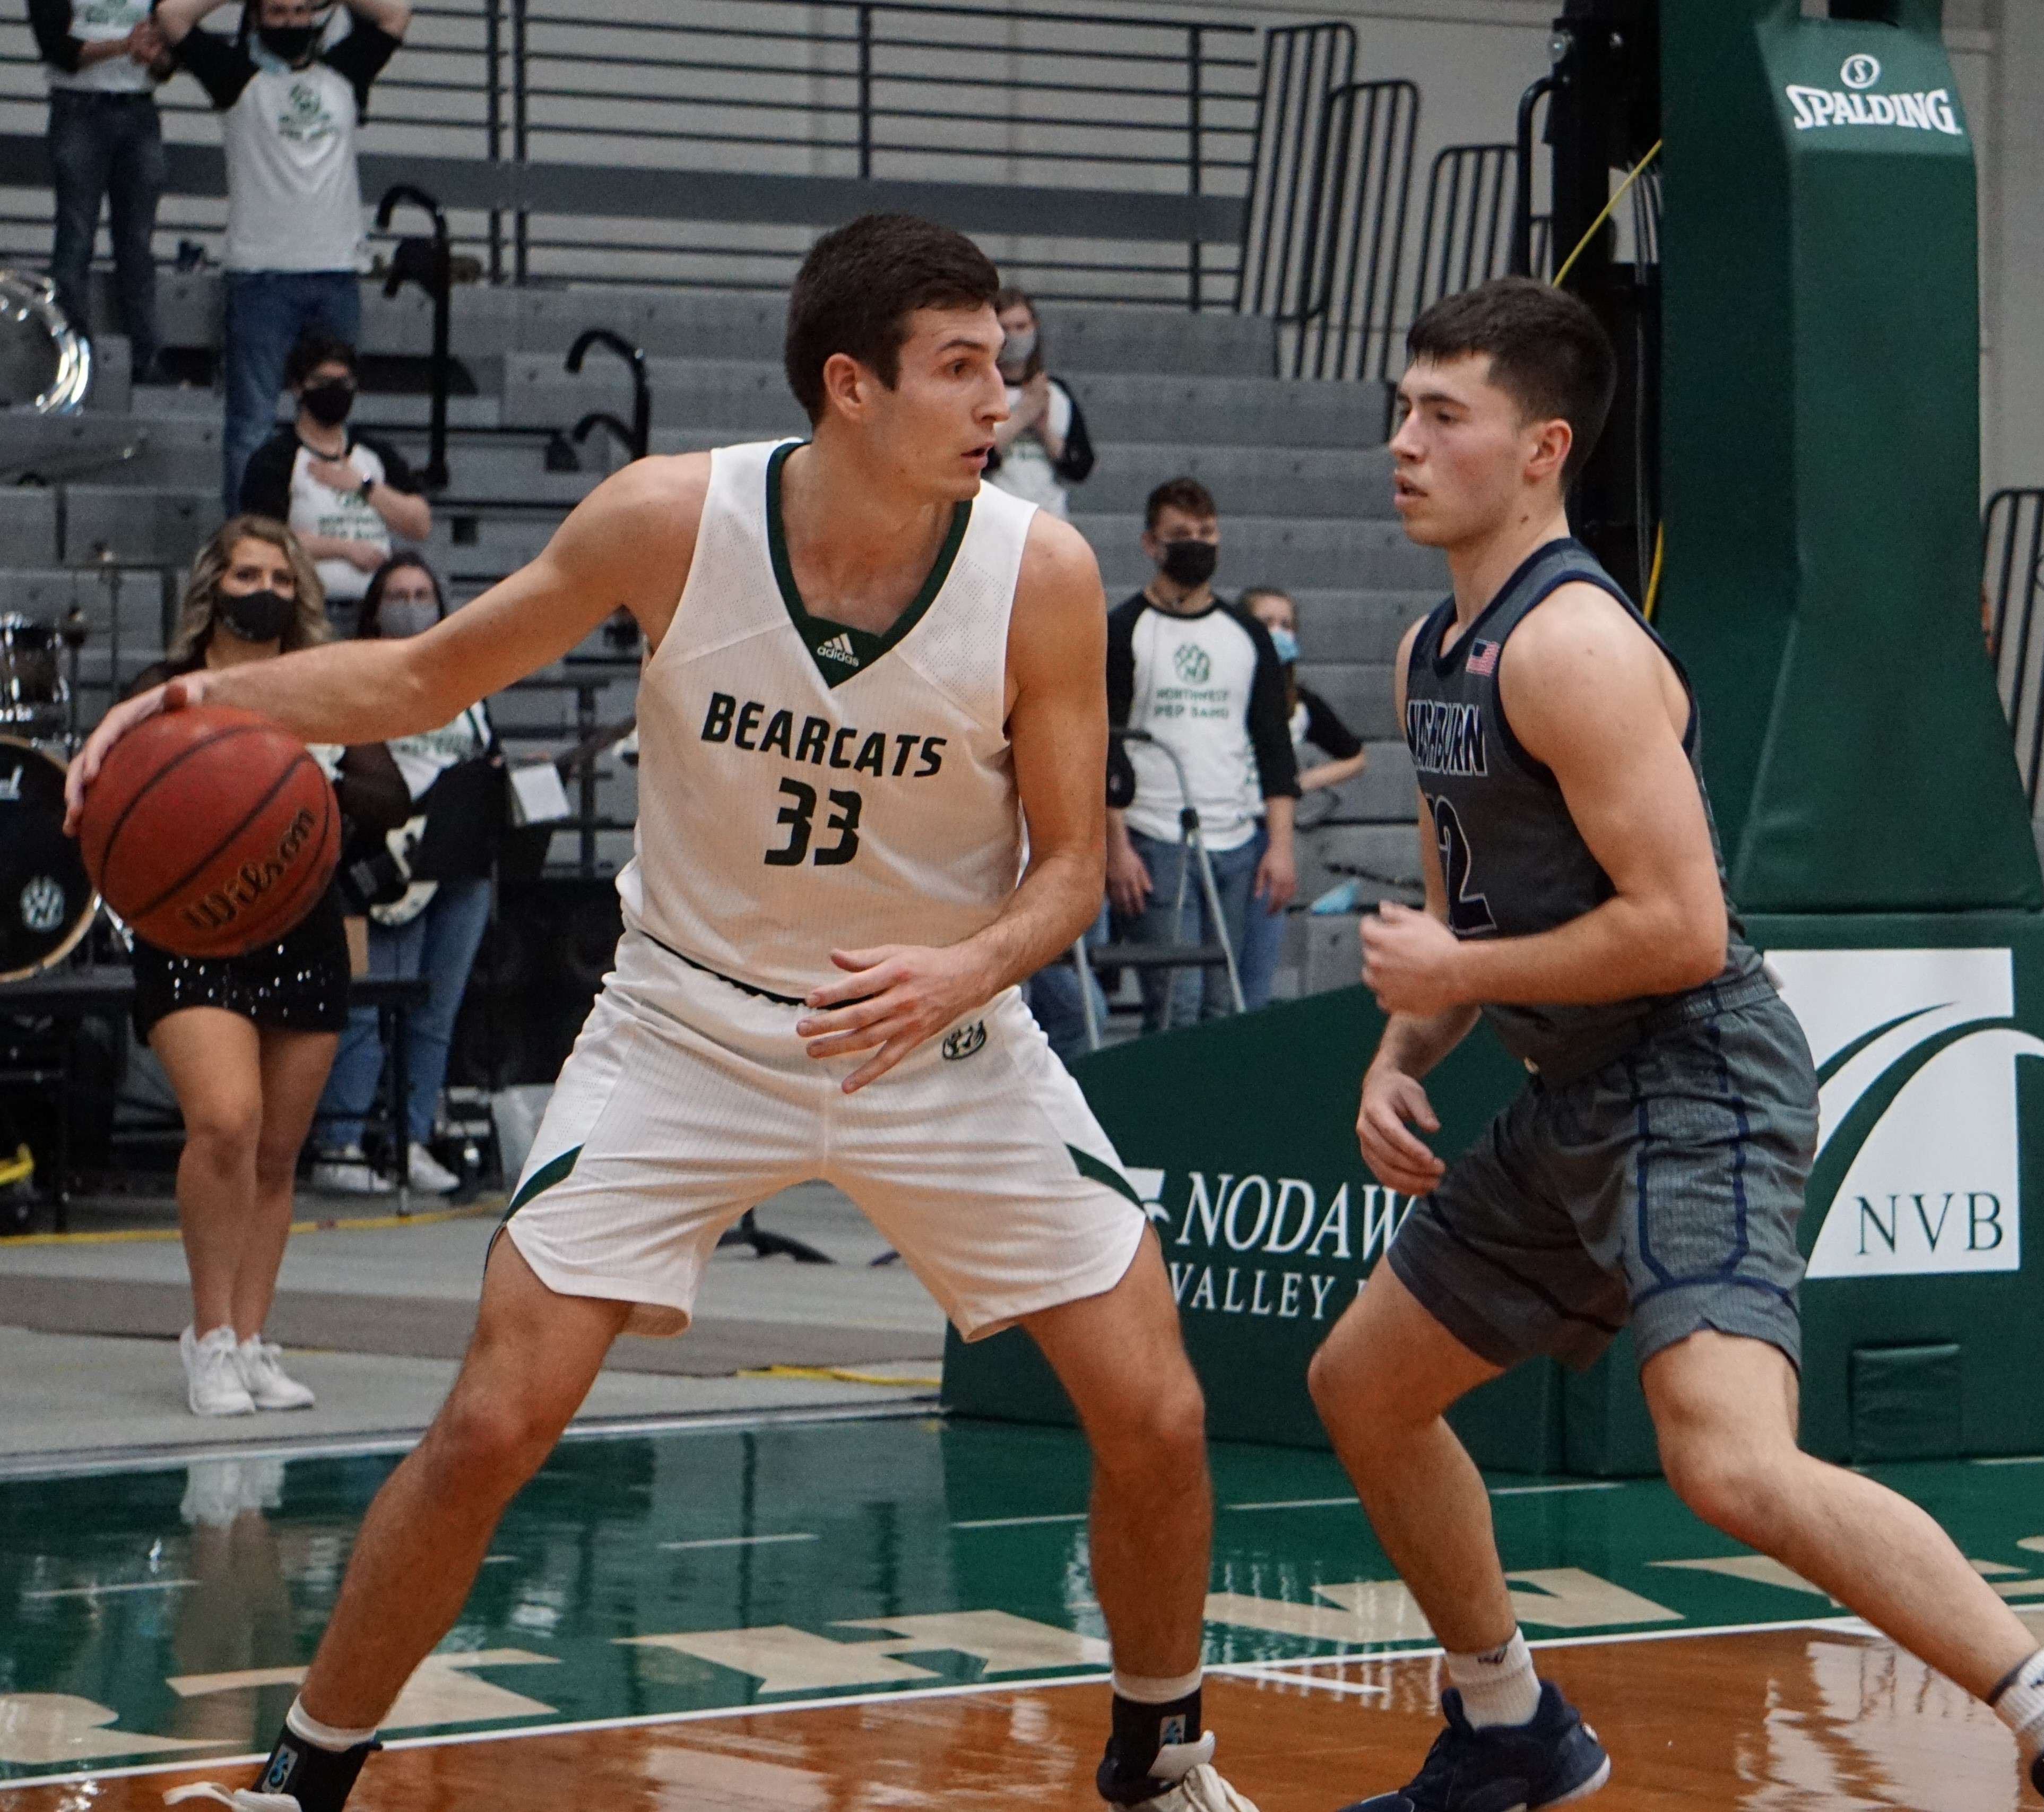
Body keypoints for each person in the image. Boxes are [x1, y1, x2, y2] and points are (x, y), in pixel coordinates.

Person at [71, 213, 1253, 1812]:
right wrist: (199, 700)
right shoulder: (669, 520)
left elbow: (1063, 871)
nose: (1000, 403)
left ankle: (1158, 1750)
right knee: (493, 1417)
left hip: (938, 1035)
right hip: (688, 1027)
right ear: (852, 386)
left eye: (1002, 366)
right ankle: (304, 1776)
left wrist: (966, 969)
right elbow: (422, 677)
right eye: (961, 368)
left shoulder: (1037, 572)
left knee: (1159, 1407)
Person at [1302, 276, 2044, 1812]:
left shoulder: (1572, 647)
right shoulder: (1431, 651)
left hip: (1690, 1073)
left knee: (1726, 1462)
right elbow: (1466, 900)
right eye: (1399, 407)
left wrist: (1453, 963)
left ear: (1537, 449)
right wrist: (1402, 1045)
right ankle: (1507, 1718)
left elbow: (1676, 923)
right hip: (1570, 1090)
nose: (1399, 439)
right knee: (1361, 1384)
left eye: (1438, 414)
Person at [128, 516, 408, 1418]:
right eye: (248, 574)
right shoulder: (166, 689)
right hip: (191, 925)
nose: (267, 591)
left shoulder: (324, 686)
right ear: (214, 585)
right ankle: (206, 1338)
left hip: (302, 923)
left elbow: (388, 793)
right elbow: (104, 795)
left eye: (283, 579)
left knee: (279, 1152)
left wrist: (287, 788)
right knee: (225, 1120)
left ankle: (251, 1339)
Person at [151, 0, 412, 512]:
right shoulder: (235, 77)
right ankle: (246, 540)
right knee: (250, 423)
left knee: (334, 418)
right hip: (261, 279)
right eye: (277, 11)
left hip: (337, 274)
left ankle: (327, 533)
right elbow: (173, 16)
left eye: (300, 11)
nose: (291, 22)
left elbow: (395, 13)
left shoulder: (344, 72)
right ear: (256, 17)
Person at [311, 554, 503, 1198]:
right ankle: (341, 1139)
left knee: (435, 1013)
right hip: (380, 863)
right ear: (372, 607)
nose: (412, 604)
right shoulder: (358, 676)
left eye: (423, 593)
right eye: (398, 594)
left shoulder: (467, 680)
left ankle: (412, 1138)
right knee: (368, 1008)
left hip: (458, 862)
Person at [1106, 478, 1298, 1029]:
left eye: (1206, 533)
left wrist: (1280, 846)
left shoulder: (1246, 634)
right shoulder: (1124, 630)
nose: (1197, 543)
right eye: (1181, 535)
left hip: (1237, 839)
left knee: (1227, 1006)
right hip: (1155, 838)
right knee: (1176, 1005)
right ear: (1151, 544)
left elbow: (1274, 748)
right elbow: (1106, 754)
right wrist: (1116, 847)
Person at [240, 334, 432, 626]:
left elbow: (420, 523)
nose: (335, 392)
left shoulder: (374, 454)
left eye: (344, 383)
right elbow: (266, 537)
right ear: (298, 388)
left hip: (377, 613)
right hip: (310, 610)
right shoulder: (275, 459)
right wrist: (345, 549)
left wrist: (364, 487)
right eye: (324, 382)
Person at [1234, 585, 1366, 1008]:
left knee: (1255, 975)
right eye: (1265, 623)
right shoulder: (1225, 692)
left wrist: (1298, 782)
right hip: (1217, 829)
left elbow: (1354, 756)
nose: (1277, 632)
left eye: (1285, 624)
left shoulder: (1300, 703)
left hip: (1267, 834)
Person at [32, 0, 170, 383]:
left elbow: (169, 61)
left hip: (139, 109)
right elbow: (59, 51)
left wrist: (156, 56)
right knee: (76, 239)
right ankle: (74, 355)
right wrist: (125, 46)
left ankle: (145, 358)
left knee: (137, 244)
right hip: (79, 108)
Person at [983, 286, 1093, 520]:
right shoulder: (979, 390)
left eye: (1021, 327)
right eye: (1005, 328)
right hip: (996, 517)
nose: (1014, 337)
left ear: (1035, 328)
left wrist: (1044, 430)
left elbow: (1080, 466)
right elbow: (980, 460)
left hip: (1049, 516)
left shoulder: (1056, 392)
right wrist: (1023, 416)